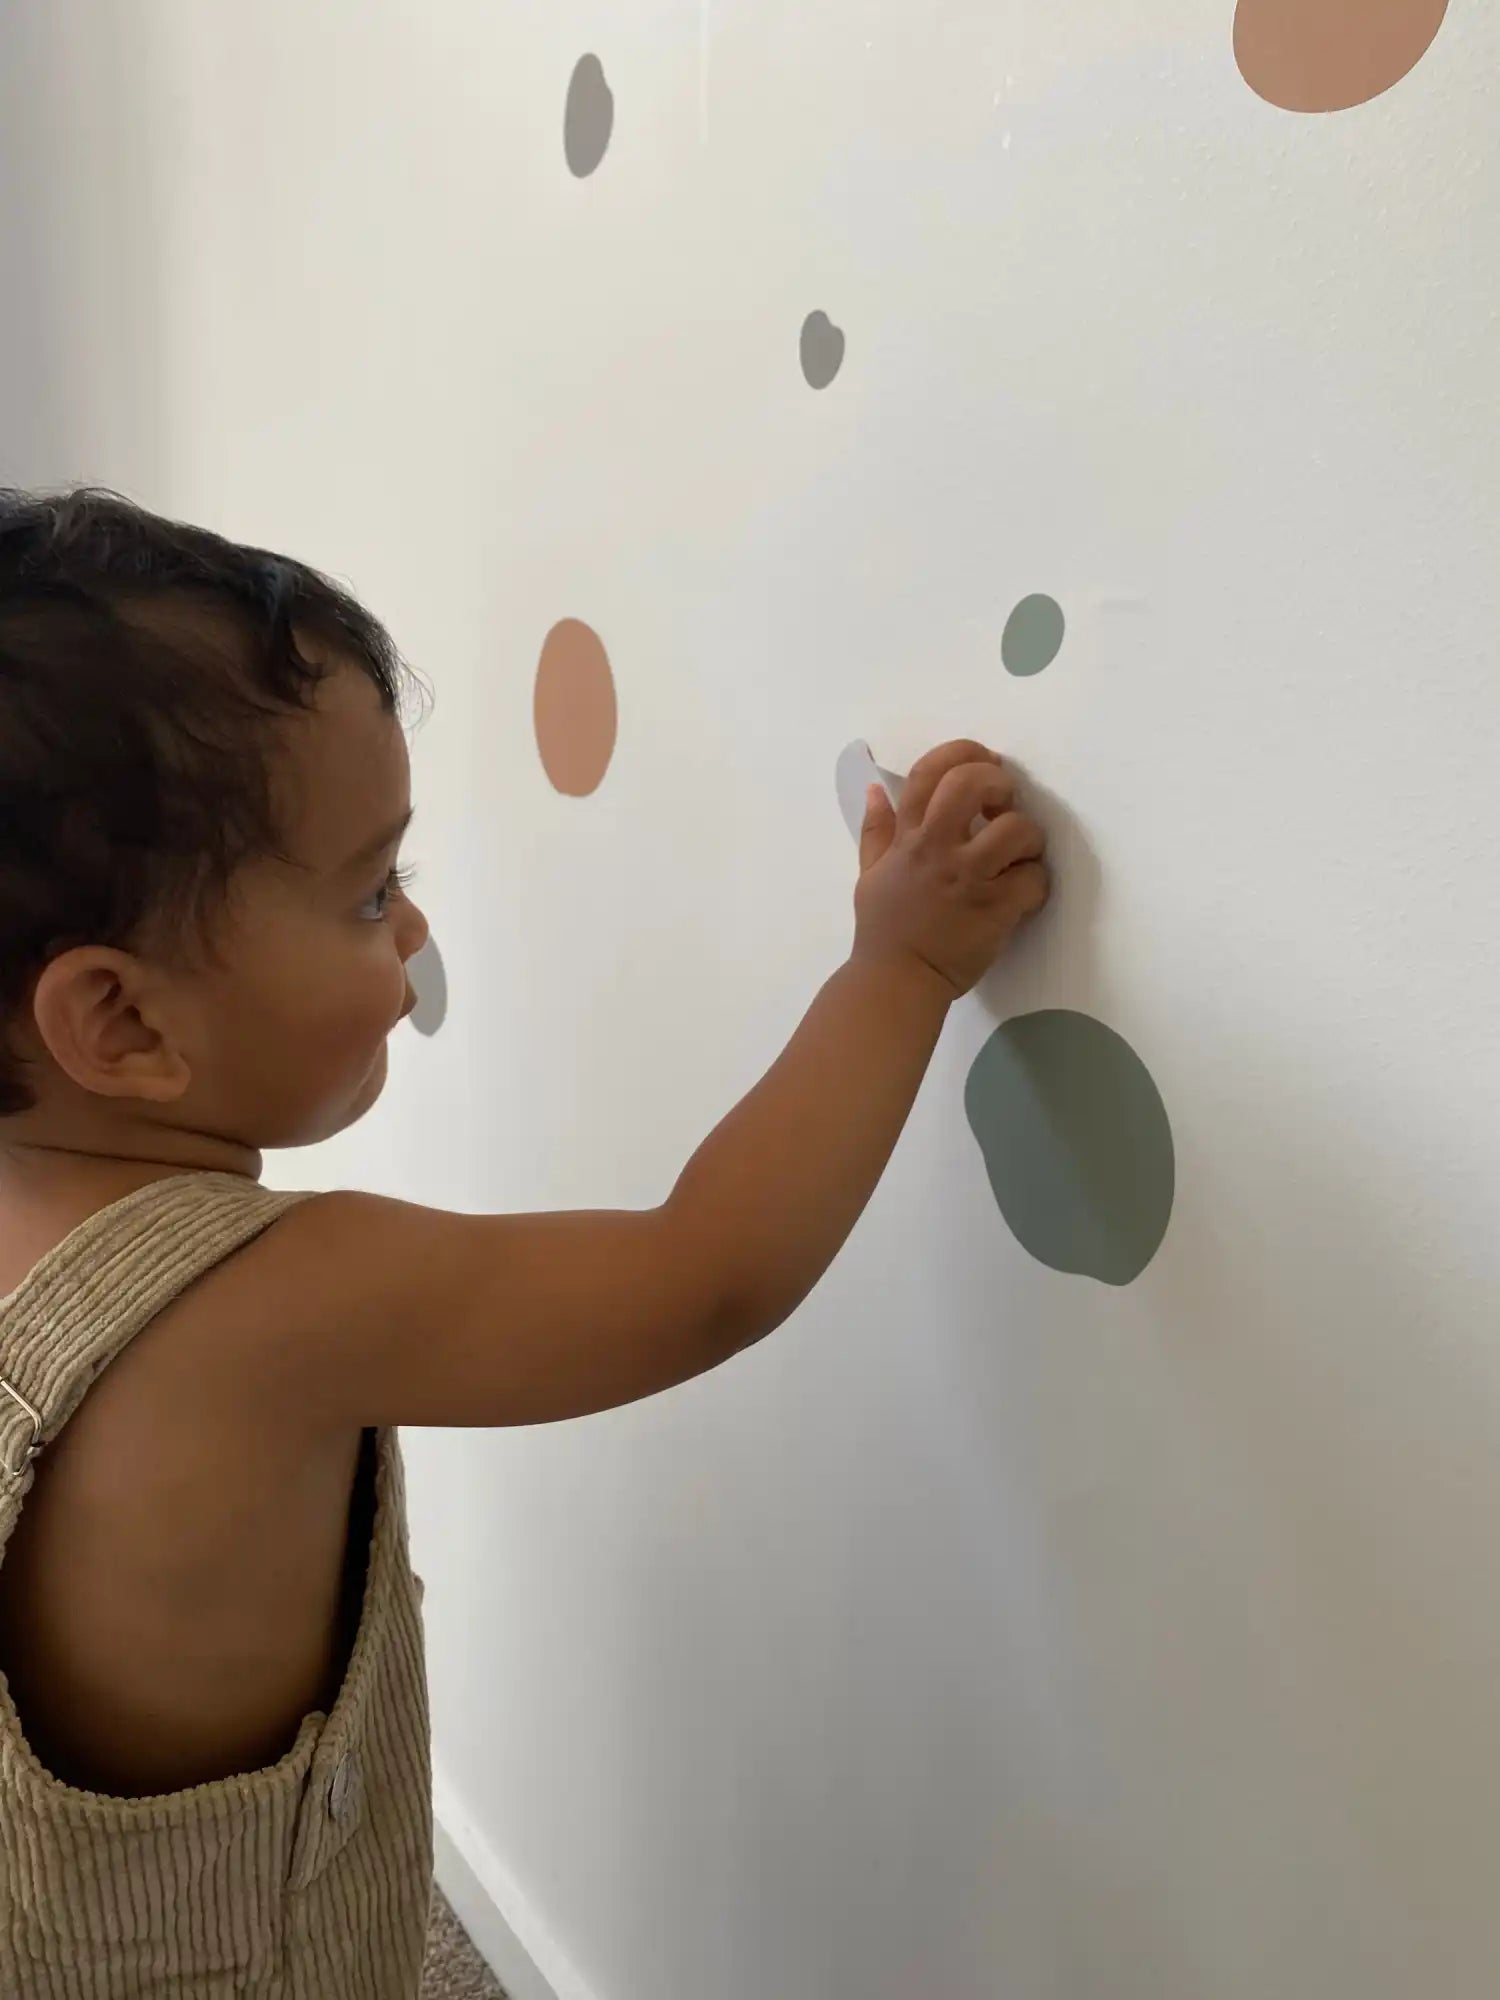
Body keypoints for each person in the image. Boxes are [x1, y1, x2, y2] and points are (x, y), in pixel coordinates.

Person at [0, 487, 1049, 1998]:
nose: (414, 937)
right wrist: (904, 962)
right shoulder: (274, 1305)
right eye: (372, 892)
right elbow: (708, 1273)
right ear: (120, 1020)